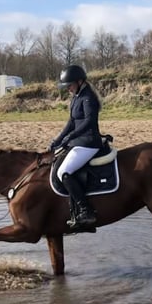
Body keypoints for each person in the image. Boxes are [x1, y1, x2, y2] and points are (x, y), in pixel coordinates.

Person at [48, 64, 103, 229]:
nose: (68, 89)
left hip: (89, 143)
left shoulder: (88, 98)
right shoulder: (76, 97)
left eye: (70, 85)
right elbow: (72, 122)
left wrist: (70, 137)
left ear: (80, 81)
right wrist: (58, 139)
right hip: (78, 141)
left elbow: (89, 122)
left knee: (64, 172)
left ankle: (86, 211)